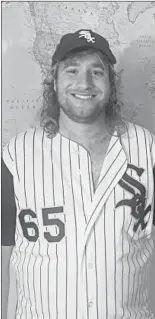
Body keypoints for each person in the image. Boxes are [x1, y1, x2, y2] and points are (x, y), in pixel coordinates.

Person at [2, 29, 155, 319]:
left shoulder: (147, 148)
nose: (84, 83)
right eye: (72, 70)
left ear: (110, 82)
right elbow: (4, 255)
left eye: (96, 72)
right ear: (55, 79)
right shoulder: (16, 156)